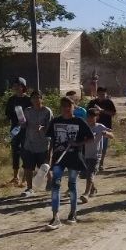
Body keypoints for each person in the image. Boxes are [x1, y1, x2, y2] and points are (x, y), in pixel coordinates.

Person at [44, 97, 94, 230]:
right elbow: (51, 141)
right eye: (64, 106)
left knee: (72, 184)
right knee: (55, 186)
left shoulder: (79, 121)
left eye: (69, 106)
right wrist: (48, 158)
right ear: (61, 107)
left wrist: (77, 143)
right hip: (58, 158)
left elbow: (90, 138)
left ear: (73, 107)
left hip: (74, 157)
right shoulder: (55, 121)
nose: (66, 108)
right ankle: (55, 217)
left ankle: (73, 213)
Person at [20, 90, 52, 196]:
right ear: (31, 99)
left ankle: (50, 181)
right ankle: (29, 188)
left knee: (44, 167)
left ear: (42, 99)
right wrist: (22, 123)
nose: (36, 99)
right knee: (28, 167)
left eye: (38, 97)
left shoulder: (47, 111)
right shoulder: (27, 111)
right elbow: (24, 125)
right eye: (33, 97)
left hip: (43, 143)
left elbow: (51, 127)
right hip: (29, 143)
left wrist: (43, 128)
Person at [81, 108, 114, 204]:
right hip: (85, 154)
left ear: (97, 117)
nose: (90, 119)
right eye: (88, 117)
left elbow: (112, 135)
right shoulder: (84, 127)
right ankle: (93, 188)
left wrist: (106, 133)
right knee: (85, 174)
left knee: (90, 173)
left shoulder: (100, 127)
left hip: (96, 155)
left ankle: (86, 194)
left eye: (92, 117)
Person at [5, 77, 32, 186]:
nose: (15, 87)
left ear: (23, 87)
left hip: (26, 129)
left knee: (25, 152)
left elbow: (32, 113)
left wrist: (25, 121)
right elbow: (7, 114)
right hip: (15, 129)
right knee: (15, 151)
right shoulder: (11, 100)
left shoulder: (28, 100)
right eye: (14, 85)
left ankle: (25, 178)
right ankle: (15, 176)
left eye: (18, 85)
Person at [87, 86, 116, 171]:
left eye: (103, 94)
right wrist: (94, 111)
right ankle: (91, 162)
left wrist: (102, 110)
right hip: (93, 126)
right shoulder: (92, 102)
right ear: (97, 94)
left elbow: (113, 113)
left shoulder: (109, 102)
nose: (101, 96)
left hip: (104, 126)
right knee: (92, 145)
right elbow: (88, 112)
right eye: (100, 94)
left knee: (103, 146)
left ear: (106, 94)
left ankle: (101, 163)